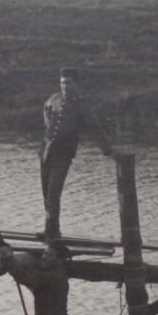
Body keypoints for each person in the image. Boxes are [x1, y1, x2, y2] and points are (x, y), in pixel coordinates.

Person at [40, 67, 114, 240]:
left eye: (69, 83)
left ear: (76, 84)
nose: (65, 86)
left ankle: (51, 232)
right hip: (46, 152)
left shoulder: (81, 105)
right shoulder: (54, 98)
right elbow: (46, 108)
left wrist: (107, 150)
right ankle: (51, 229)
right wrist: (47, 121)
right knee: (46, 194)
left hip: (63, 154)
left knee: (53, 194)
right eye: (63, 83)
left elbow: (95, 127)